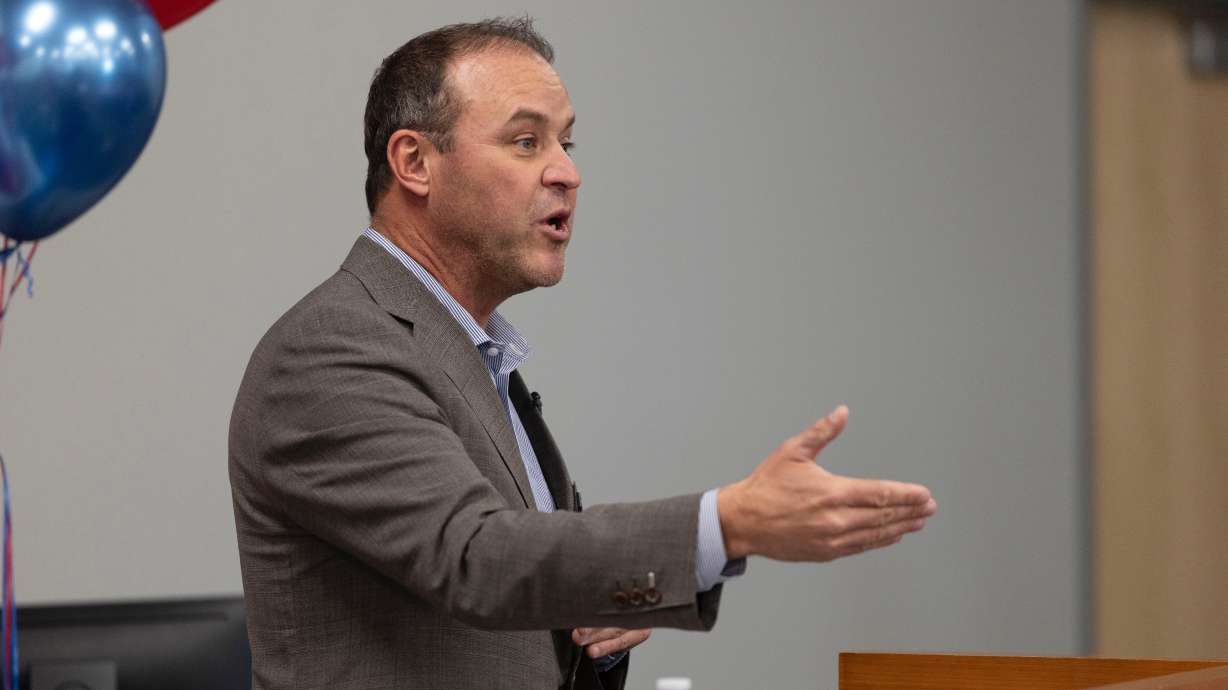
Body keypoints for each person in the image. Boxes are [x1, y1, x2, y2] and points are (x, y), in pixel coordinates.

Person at [228, 16, 937, 690]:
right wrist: (729, 524)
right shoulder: (330, 350)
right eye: (526, 142)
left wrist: (602, 612)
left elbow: (523, 595)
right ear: (415, 162)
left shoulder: (474, 354)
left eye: (567, 143)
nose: (567, 172)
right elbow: (477, 558)